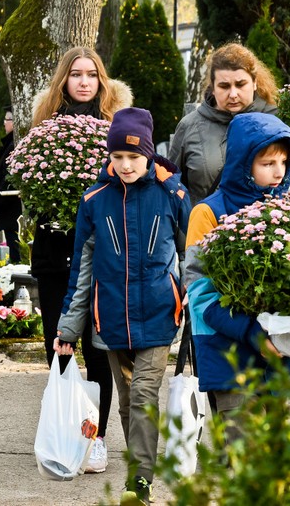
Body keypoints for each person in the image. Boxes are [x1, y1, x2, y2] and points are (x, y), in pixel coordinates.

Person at [54, 108, 191, 506]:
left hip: (160, 314)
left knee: (145, 394)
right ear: (109, 157)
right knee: (129, 400)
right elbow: (81, 269)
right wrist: (68, 326)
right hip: (111, 316)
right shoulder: (95, 200)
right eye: (118, 157)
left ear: (148, 154)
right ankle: (140, 465)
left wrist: (194, 301)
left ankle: (139, 484)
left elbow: (192, 255)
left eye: (134, 156)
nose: (126, 165)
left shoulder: (172, 195)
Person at [29, 46, 132, 474]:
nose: (85, 81)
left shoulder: (118, 129)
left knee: (98, 348)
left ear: (102, 81)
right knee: (61, 343)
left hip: (103, 251)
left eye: (92, 74)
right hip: (55, 253)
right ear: (64, 81)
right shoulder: (45, 130)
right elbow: (16, 181)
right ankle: (68, 428)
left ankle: (98, 437)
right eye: (76, 74)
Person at [183, 112, 290, 445]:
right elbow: (200, 293)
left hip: (279, 357)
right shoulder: (208, 213)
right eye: (266, 163)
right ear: (242, 161)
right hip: (228, 353)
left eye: (283, 161)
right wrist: (252, 333)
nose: (278, 171)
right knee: (241, 456)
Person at [168, 42, 290, 212]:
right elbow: (170, 189)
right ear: (212, 87)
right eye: (224, 86)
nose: (233, 94)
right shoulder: (189, 126)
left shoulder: (281, 122)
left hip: (266, 233)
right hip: (203, 230)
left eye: (240, 84)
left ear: (255, 83)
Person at [0, 106, 22, 263]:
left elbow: (8, 179)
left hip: (12, 211)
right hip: (9, 212)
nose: (4, 123)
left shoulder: (13, 146)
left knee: (17, 254)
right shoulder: (9, 144)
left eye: (7, 119)